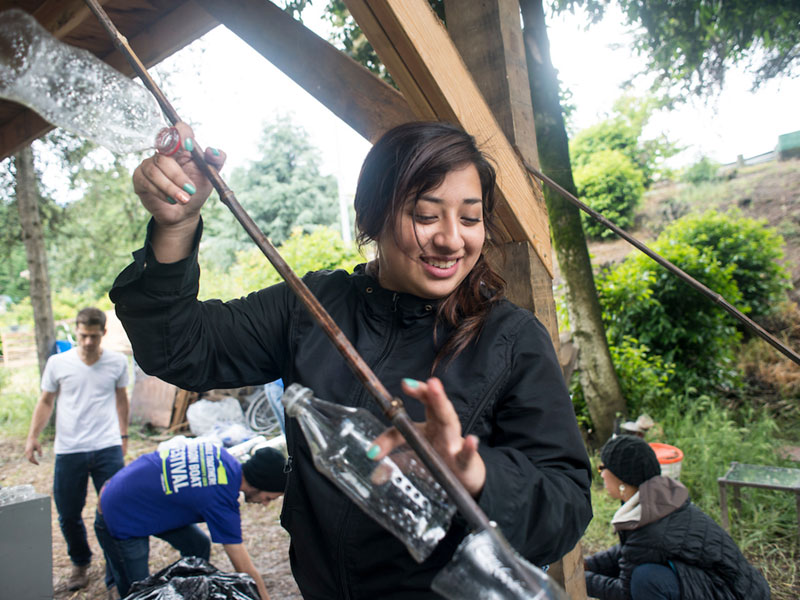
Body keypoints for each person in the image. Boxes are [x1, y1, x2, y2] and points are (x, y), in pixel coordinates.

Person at [110, 121, 592, 598]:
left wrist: (477, 476)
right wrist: (176, 227)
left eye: (470, 219)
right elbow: (179, 349)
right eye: (426, 215)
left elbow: (565, 508)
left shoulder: (511, 340)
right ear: (372, 214)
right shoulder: (310, 308)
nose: (452, 239)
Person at [584, 435, 771, 600]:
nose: (601, 474)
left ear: (622, 480)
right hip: (737, 587)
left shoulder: (652, 529)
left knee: (645, 579)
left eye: (603, 468)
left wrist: (581, 580)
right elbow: (632, 550)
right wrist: (589, 565)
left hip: (735, 594)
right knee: (641, 573)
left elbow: (625, 593)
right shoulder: (659, 501)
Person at [94, 443, 286, 599]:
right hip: (120, 513)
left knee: (198, 545)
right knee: (140, 592)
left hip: (135, 494)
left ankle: (189, 591)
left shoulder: (221, 457)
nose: (265, 504)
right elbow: (243, 568)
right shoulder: (220, 498)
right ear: (258, 484)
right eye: (268, 498)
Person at [24, 307, 129, 591]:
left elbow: (121, 398)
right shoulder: (58, 363)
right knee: (68, 514)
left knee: (114, 508)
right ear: (76, 332)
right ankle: (80, 562)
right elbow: (46, 401)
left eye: (94, 336)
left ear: (103, 333)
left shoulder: (117, 362)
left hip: (107, 446)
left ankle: (115, 568)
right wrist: (33, 436)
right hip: (70, 448)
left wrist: (124, 434)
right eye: (83, 336)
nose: (88, 342)